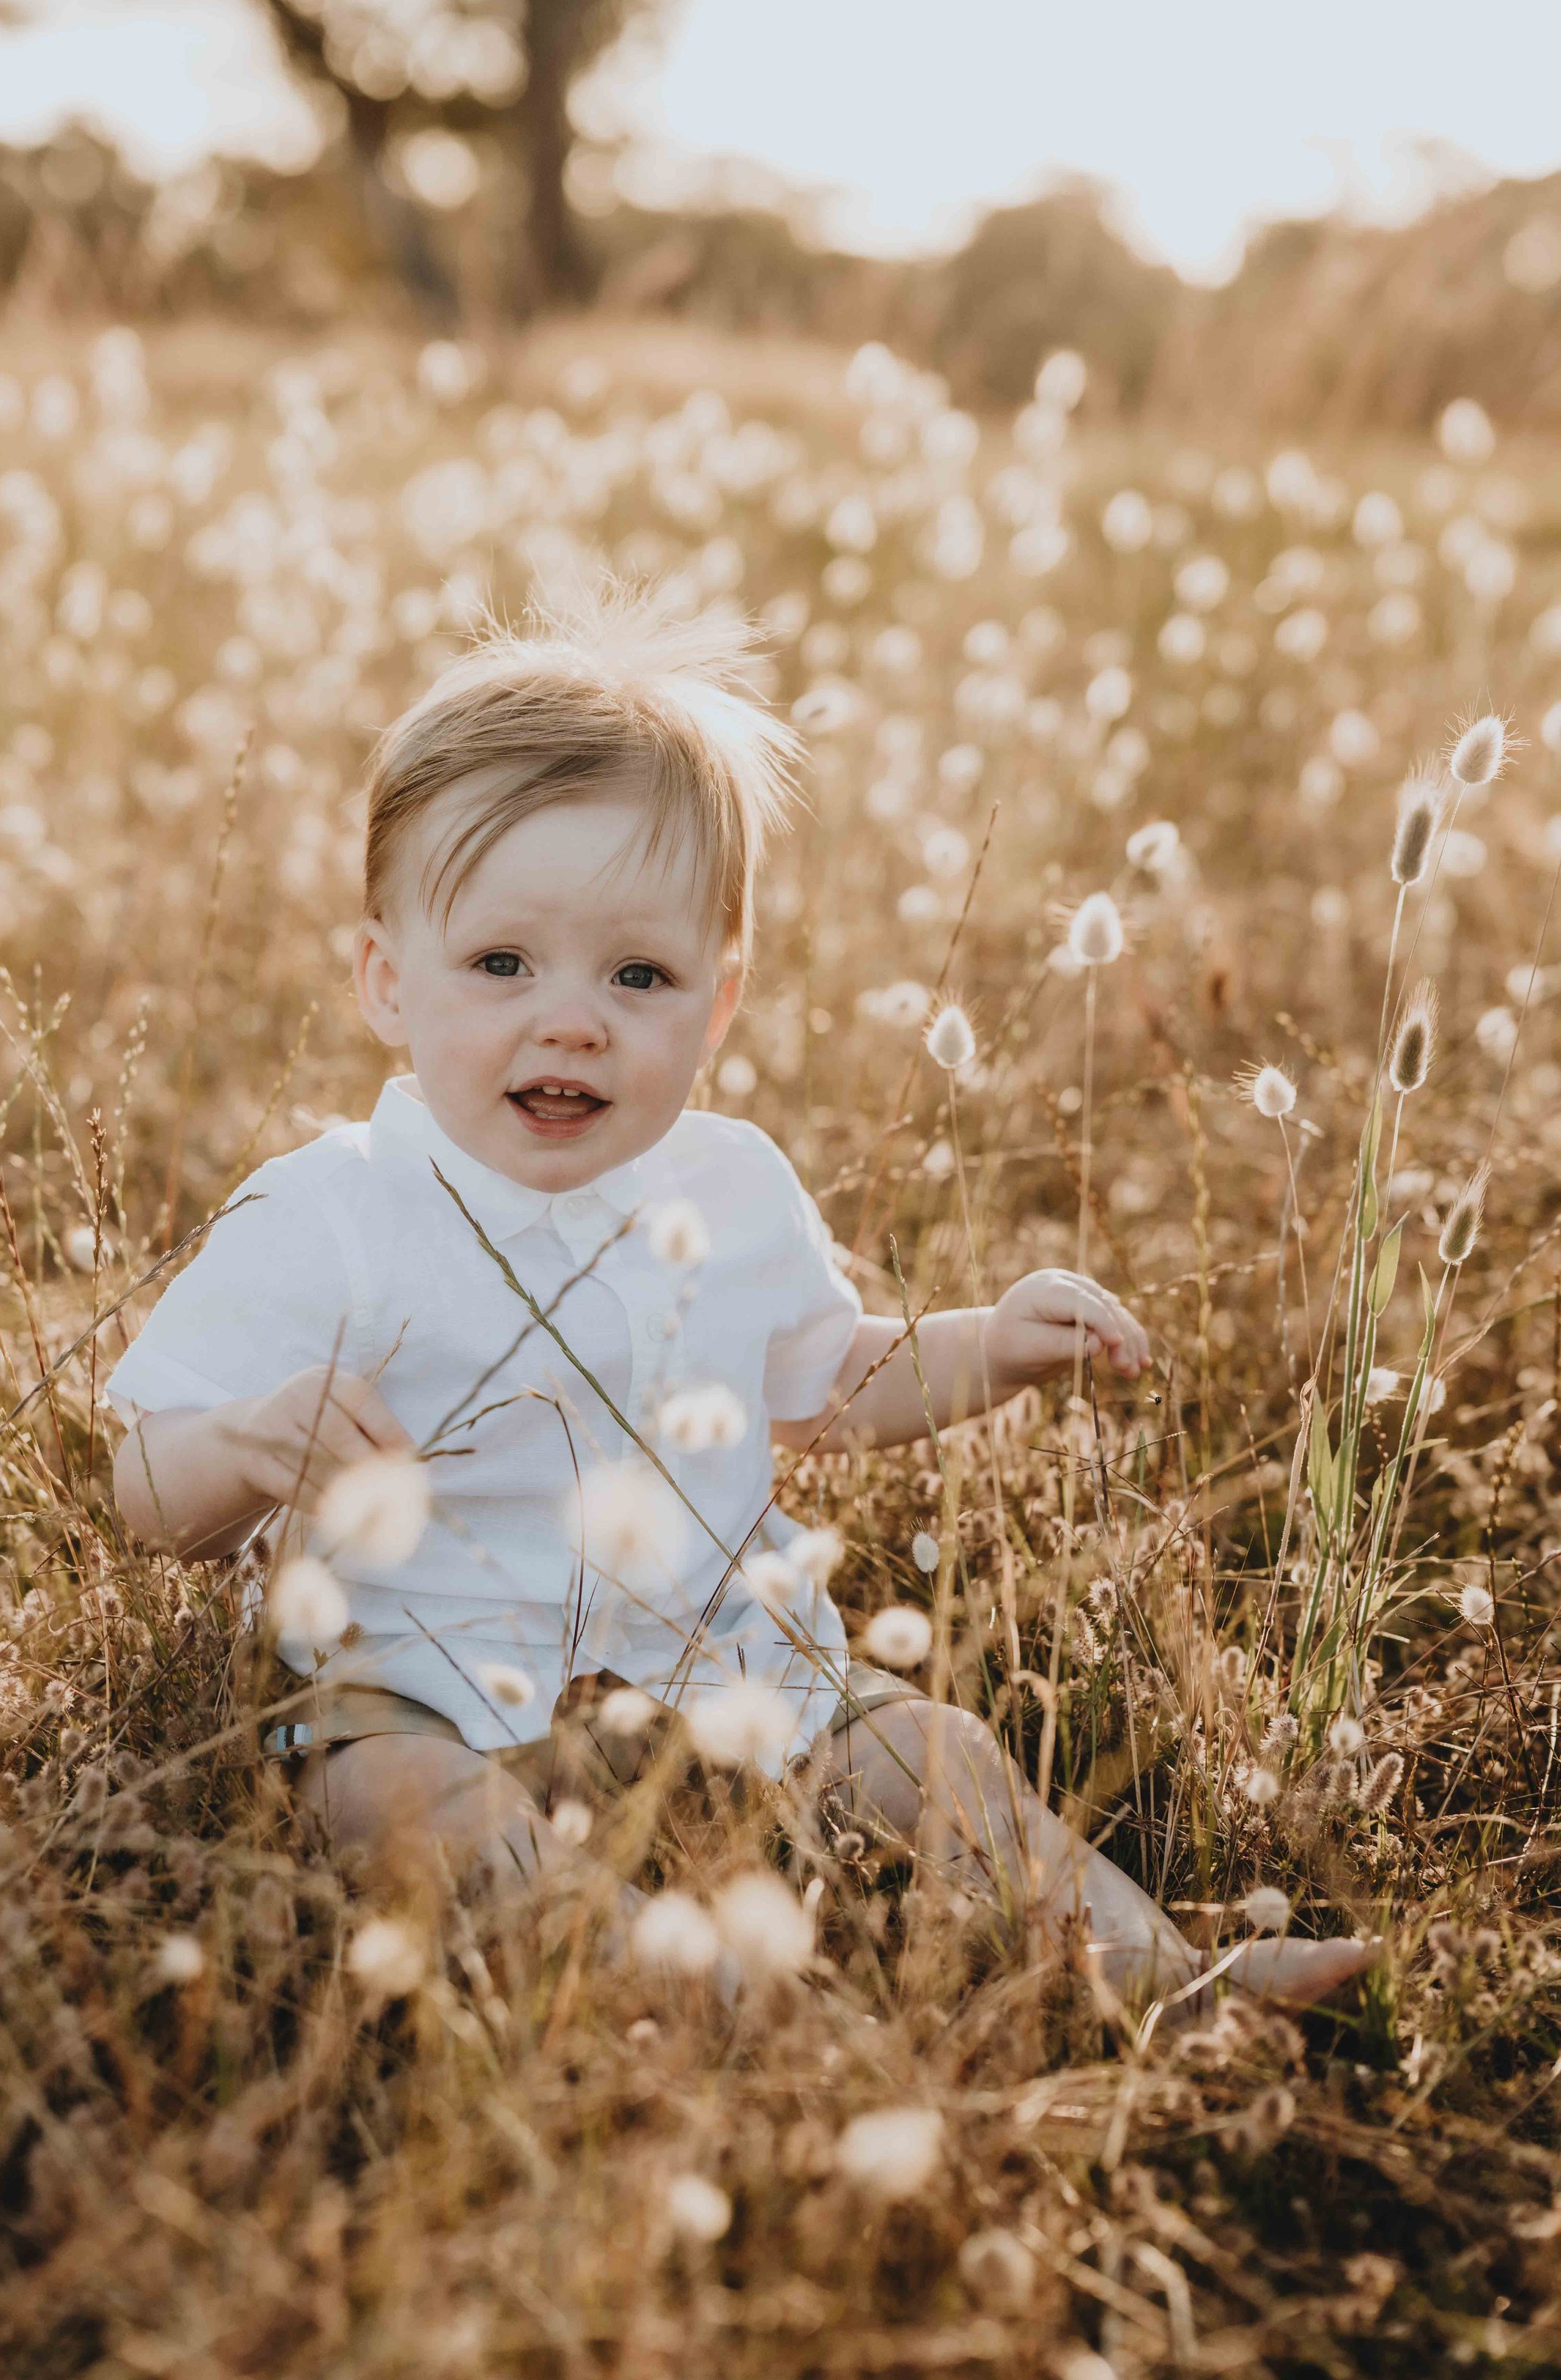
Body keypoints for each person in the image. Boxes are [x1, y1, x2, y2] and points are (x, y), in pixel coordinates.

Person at [109, 589, 1372, 2016]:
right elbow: (146, 1476)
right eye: (502, 963)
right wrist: (251, 1445)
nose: (573, 1016)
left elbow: (826, 1382)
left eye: (638, 973)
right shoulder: (329, 1210)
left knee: (937, 1748)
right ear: (386, 982)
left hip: (721, 1664)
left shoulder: (730, 1183)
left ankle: (1165, 1979)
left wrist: (988, 1344)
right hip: (417, 1681)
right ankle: (694, 1995)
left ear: (719, 1003)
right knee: (405, 1805)